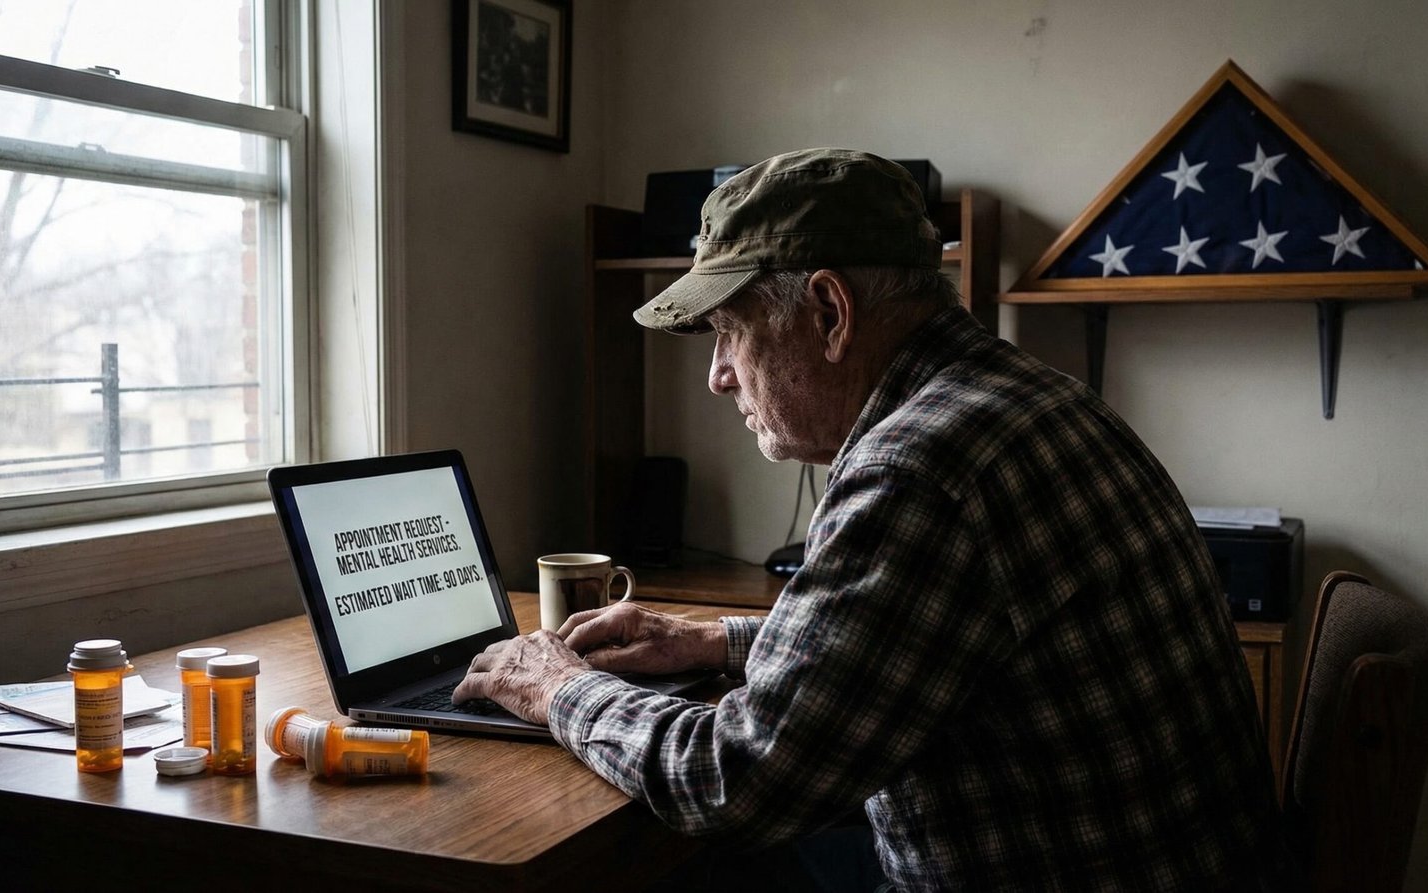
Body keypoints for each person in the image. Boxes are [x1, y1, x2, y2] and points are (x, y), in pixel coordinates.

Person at [454, 147, 1285, 890]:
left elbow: (735, 782)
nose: (717, 377)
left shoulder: (915, 469)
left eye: (729, 333)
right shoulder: (1025, 396)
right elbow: (927, 647)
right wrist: (715, 640)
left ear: (829, 312)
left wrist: (560, 686)